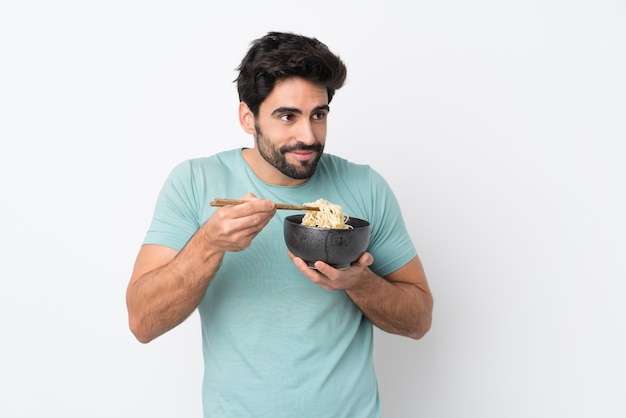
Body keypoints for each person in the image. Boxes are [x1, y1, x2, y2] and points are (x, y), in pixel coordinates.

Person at [126, 31, 433, 417]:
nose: (307, 135)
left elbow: (419, 319)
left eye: (318, 115)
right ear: (247, 117)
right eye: (287, 116)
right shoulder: (194, 182)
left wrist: (360, 282)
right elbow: (142, 322)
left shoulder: (365, 186)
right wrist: (209, 243)